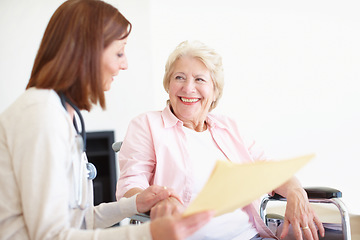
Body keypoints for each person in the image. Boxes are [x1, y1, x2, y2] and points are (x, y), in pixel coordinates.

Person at [0, 1, 213, 239]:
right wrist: (150, 233)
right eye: (119, 52)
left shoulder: (60, 114)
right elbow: (51, 235)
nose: (125, 64)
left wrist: (133, 204)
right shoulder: (40, 115)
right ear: (87, 52)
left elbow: (78, 221)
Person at [116, 40, 325, 240]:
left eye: (199, 79)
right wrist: (159, 199)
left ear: (215, 91)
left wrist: (296, 192)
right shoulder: (147, 125)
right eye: (179, 77)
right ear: (168, 84)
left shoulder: (228, 127)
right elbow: (130, 186)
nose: (188, 88)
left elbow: (270, 170)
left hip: (249, 236)